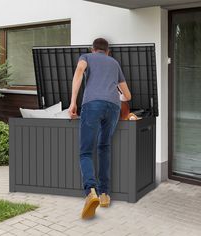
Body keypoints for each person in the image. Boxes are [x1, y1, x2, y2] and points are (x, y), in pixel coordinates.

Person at [69, 38, 131, 219]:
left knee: (86, 152)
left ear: (93, 49)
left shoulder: (86, 56)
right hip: (113, 107)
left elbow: (79, 71)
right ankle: (105, 194)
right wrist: (113, 94)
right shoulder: (114, 63)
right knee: (104, 147)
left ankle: (91, 192)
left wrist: (73, 102)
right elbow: (127, 95)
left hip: (92, 105)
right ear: (108, 51)